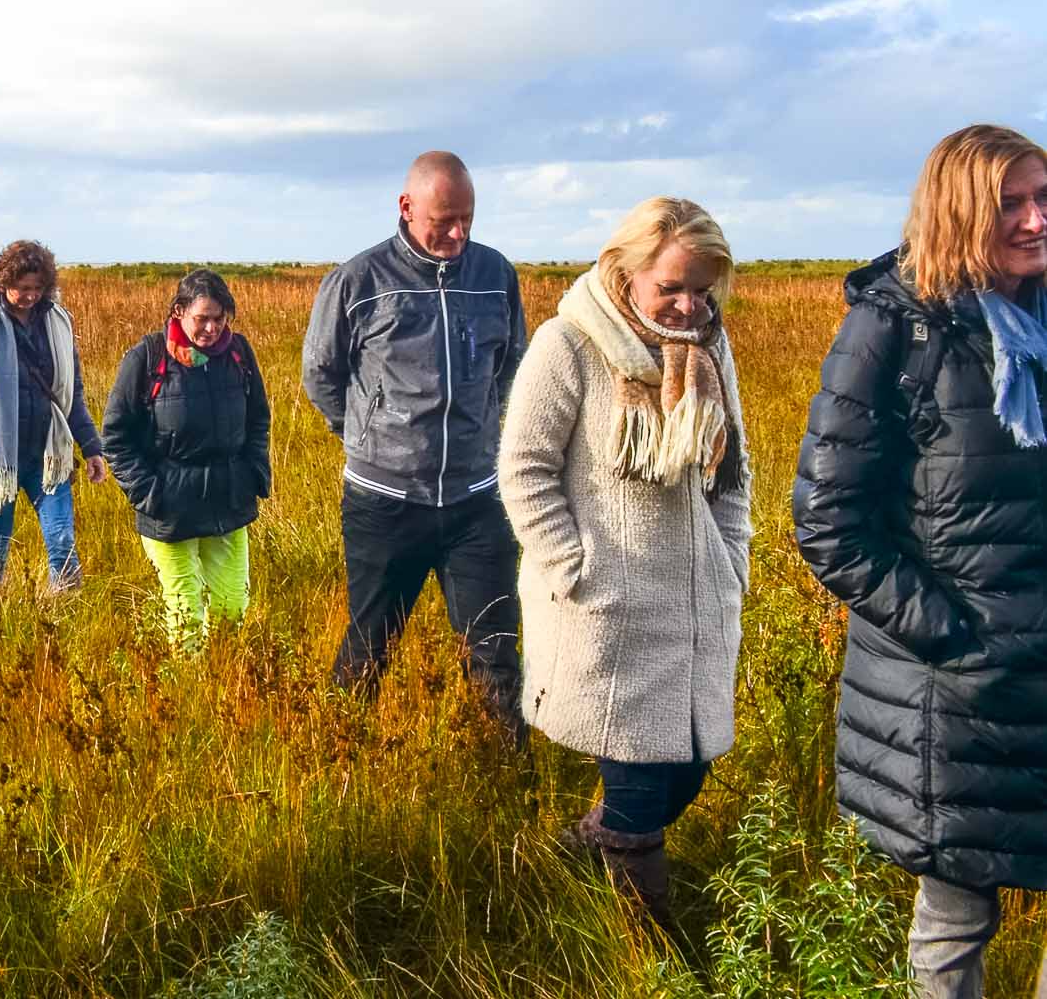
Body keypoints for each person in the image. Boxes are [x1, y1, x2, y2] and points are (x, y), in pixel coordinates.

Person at [795, 125, 1047, 998]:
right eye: (1011, 202)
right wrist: (950, 636)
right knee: (956, 920)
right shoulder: (896, 327)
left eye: (1044, 197)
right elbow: (829, 521)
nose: (1037, 218)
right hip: (965, 685)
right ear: (958, 209)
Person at [500, 198, 748, 924]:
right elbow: (524, 468)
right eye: (671, 285)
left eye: (702, 288)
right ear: (625, 267)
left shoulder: (710, 347)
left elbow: (732, 470)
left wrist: (732, 558)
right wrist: (574, 569)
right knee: (641, 794)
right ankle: (651, 954)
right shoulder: (569, 345)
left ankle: (585, 844)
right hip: (608, 611)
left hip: (693, 604)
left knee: (689, 769)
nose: (687, 304)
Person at [302, 150, 527, 741]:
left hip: (478, 501)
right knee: (368, 651)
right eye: (443, 220)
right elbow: (321, 375)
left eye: (467, 220)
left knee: (497, 651)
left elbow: (512, 366)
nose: (457, 233)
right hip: (384, 504)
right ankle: (340, 761)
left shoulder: (496, 275)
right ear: (406, 208)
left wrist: (484, 431)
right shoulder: (357, 282)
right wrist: (369, 437)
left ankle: (505, 779)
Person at [100, 269, 270, 645]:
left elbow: (258, 418)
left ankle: (225, 684)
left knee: (231, 608)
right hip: (169, 507)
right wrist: (149, 493)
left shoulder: (239, 354)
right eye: (202, 318)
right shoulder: (148, 358)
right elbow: (115, 437)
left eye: (219, 318)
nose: (211, 328)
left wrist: (254, 473)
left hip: (229, 498)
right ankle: (188, 694)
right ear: (179, 311)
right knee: (185, 613)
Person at [0, 239, 106, 593]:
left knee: (63, 542)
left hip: (48, 455)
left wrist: (92, 448)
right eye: (22, 288)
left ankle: (65, 617)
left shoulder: (58, 322)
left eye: (37, 288)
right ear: (4, 283)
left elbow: (71, 396)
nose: (31, 296)